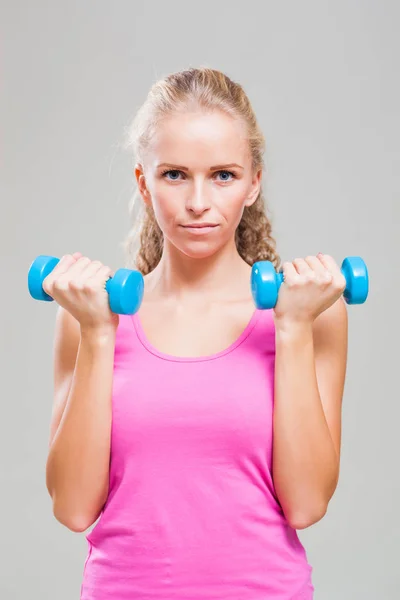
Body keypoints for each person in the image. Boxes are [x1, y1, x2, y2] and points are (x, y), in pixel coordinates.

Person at [44, 67, 348, 599]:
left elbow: (305, 504)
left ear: (255, 182)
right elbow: (72, 509)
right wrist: (97, 334)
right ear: (144, 182)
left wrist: (295, 327)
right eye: (175, 174)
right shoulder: (89, 315)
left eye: (224, 175)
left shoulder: (313, 313)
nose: (198, 202)